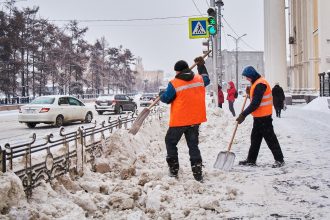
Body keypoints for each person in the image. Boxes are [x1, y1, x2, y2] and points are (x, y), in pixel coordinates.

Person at [159, 57, 210, 182]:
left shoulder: (174, 83)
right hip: (195, 119)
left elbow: (166, 99)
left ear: (178, 71)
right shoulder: (199, 79)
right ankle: (197, 172)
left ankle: (174, 170)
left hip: (180, 120)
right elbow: (207, 78)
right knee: (193, 145)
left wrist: (161, 95)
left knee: (170, 142)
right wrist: (201, 66)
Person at [236, 66, 285, 168]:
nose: (246, 79)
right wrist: (250, 93)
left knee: (271, 139)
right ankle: (251, 160)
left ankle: (280, 160)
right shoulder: (256, 83)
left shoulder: (260, 84)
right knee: (255, 139)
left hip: (264, 118)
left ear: (252, 75)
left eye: (247, 77)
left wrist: (243, 114)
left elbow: (255, 103)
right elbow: (256, 98)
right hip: (258, 117)